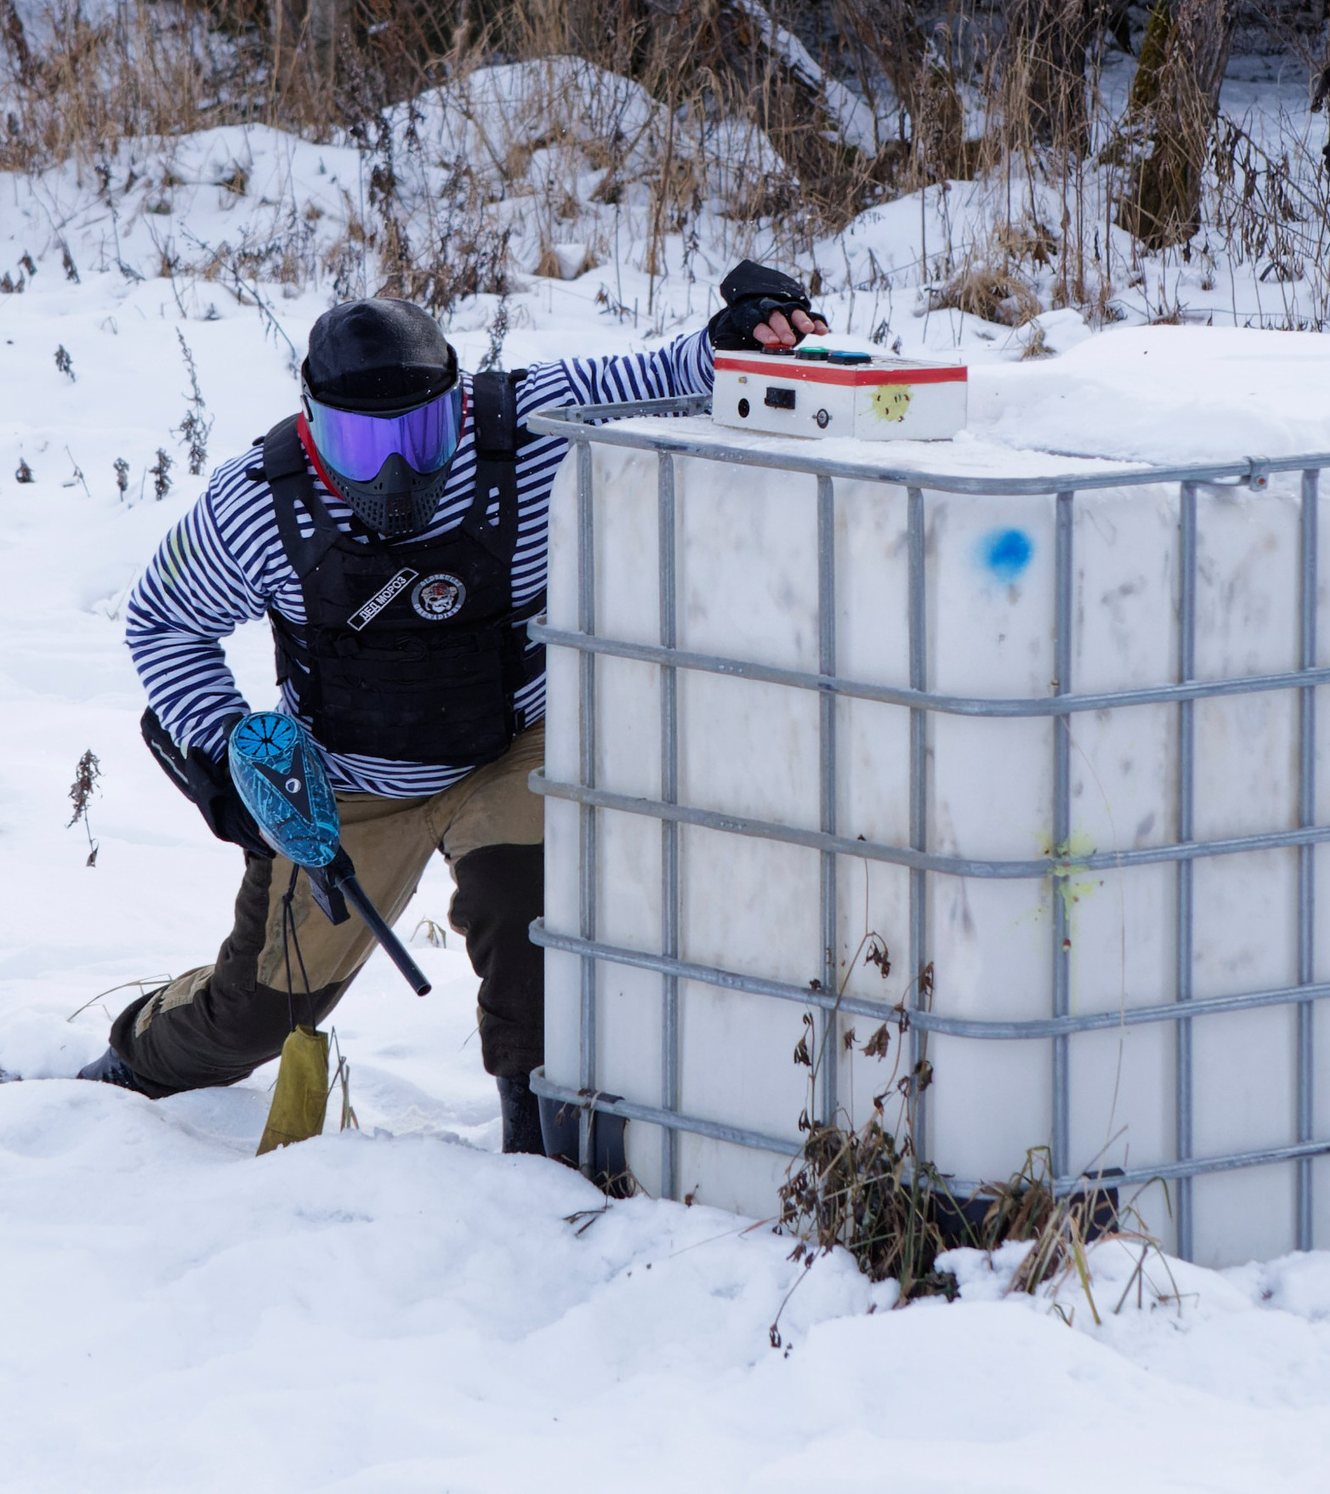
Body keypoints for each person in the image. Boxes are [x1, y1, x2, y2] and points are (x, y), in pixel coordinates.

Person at [77, 263, 831, 1161]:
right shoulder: (258, 504)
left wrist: (745, 336)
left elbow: (669, 376)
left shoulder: (526, 428)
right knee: (261, 1014)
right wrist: (232, 754)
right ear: (312, 420)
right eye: (361, 444)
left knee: (534, 915)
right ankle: (132, 1064)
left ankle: (547, 1137)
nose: (395, 469)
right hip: (346, 783)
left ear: (459, 401)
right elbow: (165, 623)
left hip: (514, 746)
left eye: (421, 433)